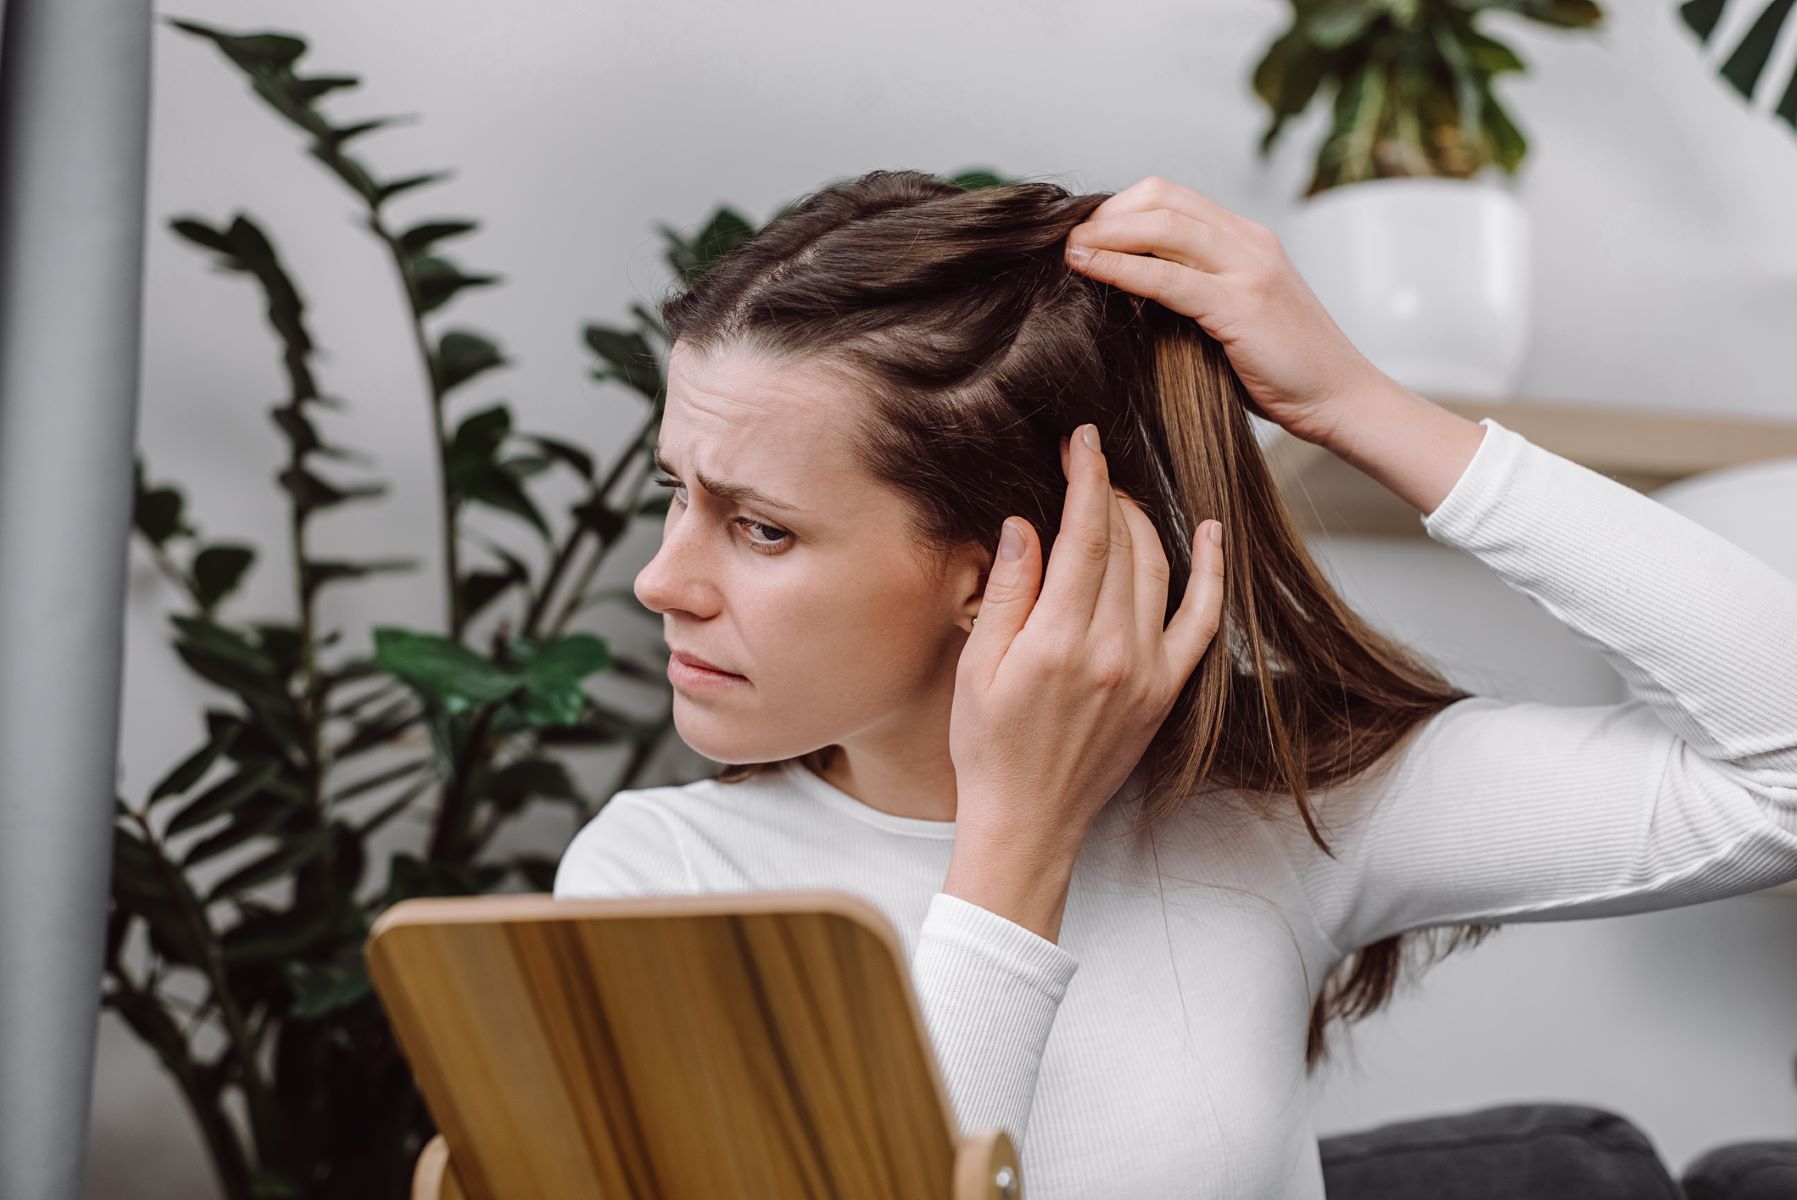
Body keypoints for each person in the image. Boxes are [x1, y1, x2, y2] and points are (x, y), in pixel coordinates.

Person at [554, 170, 1797, 1198]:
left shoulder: (1270, 807)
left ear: (997, 573)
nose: (662, 582)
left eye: (758, 527)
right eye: (677, 494)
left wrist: (1361, 405)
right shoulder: (657, 881)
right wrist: (1015, 848)